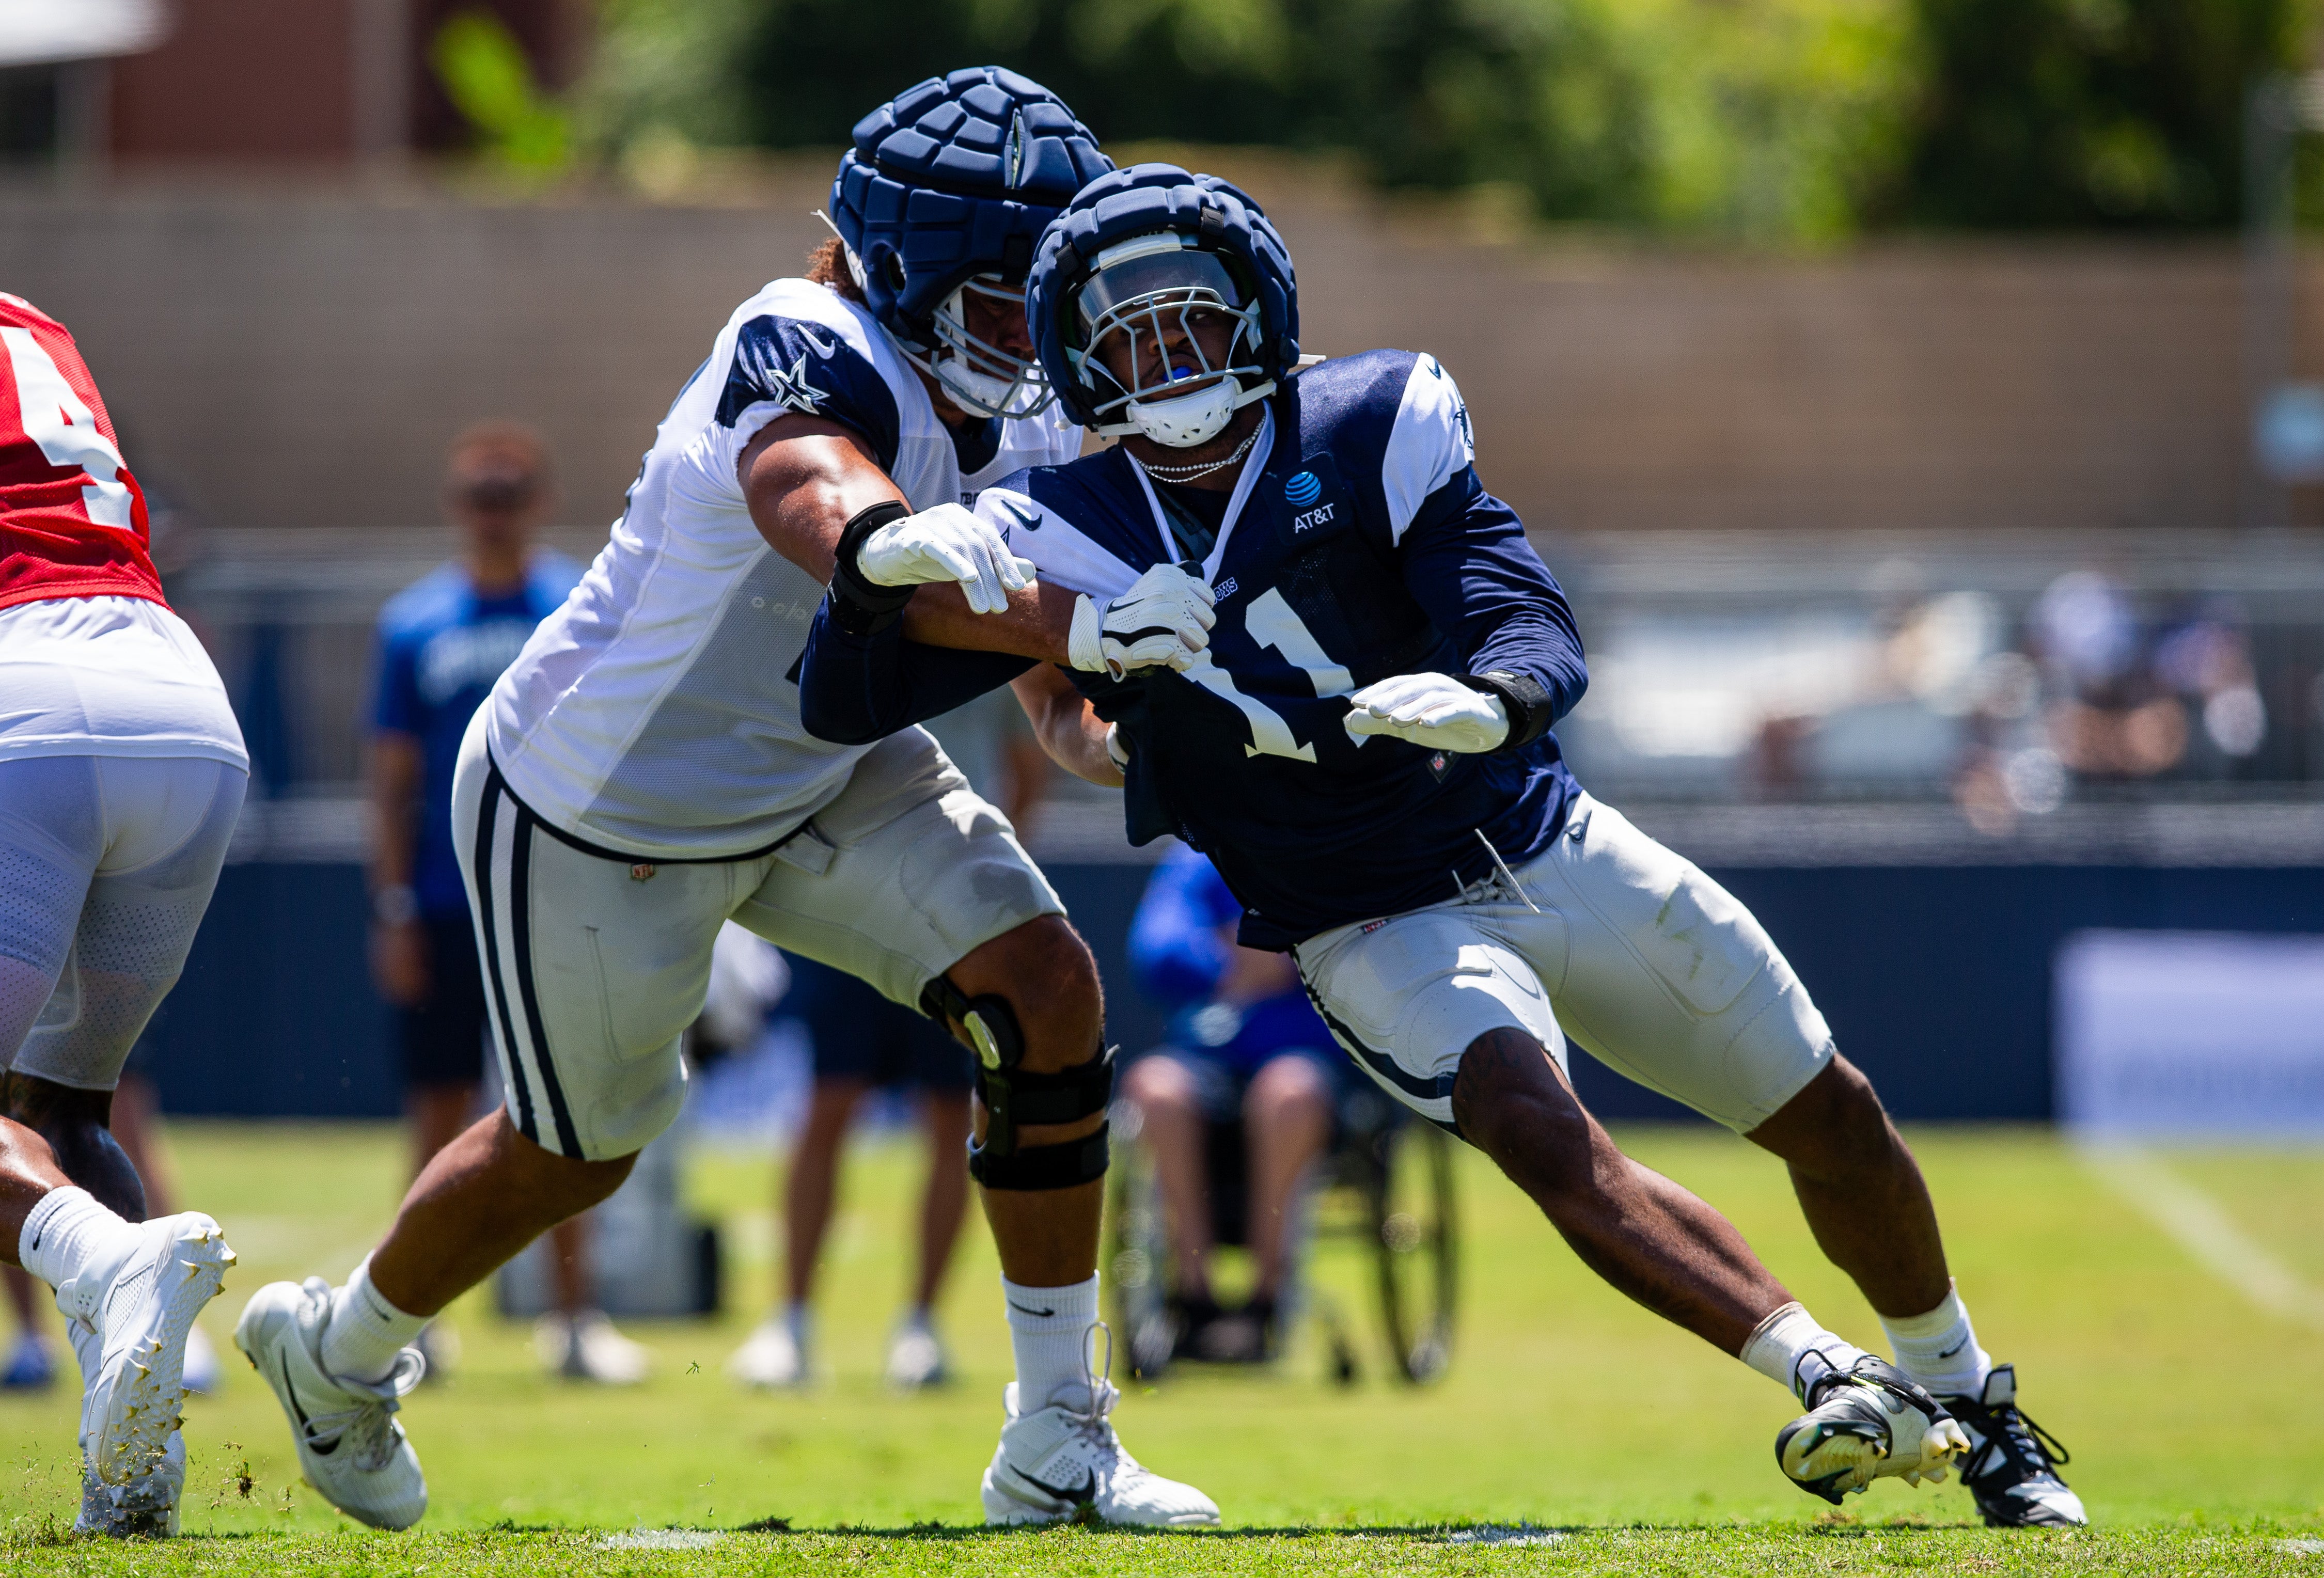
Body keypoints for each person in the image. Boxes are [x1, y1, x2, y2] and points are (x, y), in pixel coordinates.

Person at [793, 163, 2086, 1530]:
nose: (1164, 356)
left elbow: (1521, 610)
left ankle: (1973, 1402)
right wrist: (909, 581)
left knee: (1833, 1114)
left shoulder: (1369, 421)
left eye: (1189, 319)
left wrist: (1493, 698)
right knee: (1535, 1125)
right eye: (1128, 334)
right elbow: (850, 695)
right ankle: (1824, 1371)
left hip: (1544, 839)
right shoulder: (1057, 519)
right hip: (1366, 921)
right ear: (1074, 359)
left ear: (1257, 314)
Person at [234, 70, 1216, 1532]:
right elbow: (821, 502)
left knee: (1044, 986)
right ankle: (340, 1351)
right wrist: (1025, 600)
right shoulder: (804, 336)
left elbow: (1060, 712)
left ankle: (1059, 1435)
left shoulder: (1022, 428)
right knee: (576, 1151)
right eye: (1008, 295)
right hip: (599, 805)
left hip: (821, 765)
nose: (1038, 329)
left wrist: (1147, 731)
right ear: (907, 268)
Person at [0, 292, 242, 1535]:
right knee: (65, 1103)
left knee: (40, 1141)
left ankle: (91, 1252)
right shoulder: (36, 323)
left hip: (26, 693)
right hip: (179, 696)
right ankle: (130, 1473)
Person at [367, 423, 648, 1386]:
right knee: (438, 1107)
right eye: (478, 493)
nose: (493, 511)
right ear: (457, 505)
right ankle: (416, 1317)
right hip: (448, 899)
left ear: (536, 501)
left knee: (567, 1110)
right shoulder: (414, 624)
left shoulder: (573, 602)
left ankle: (575, 1317)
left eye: (509, 492)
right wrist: (395, 903)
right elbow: (390, 778)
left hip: (552, 888)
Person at [731, 690, 1050, 1392]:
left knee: (949, 1117)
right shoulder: (852, 610)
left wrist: (992, 878)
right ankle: (790, 1323)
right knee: (827, 1105)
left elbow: (1029, 764)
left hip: (954, 912)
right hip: (848, 896)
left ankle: (921, 1327)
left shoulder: (991, 621)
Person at [1122, 844, 1337, 1363]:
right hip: (1207, 1054)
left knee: (1288, 1092)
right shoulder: (1199, 855)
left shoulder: (1332, 840)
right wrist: (1232, 960)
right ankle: (1194, 1296)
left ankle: (1267, 1301)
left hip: (1302, 1055)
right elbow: (1155, 945)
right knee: (1154, 1085)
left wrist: (1287, 961)